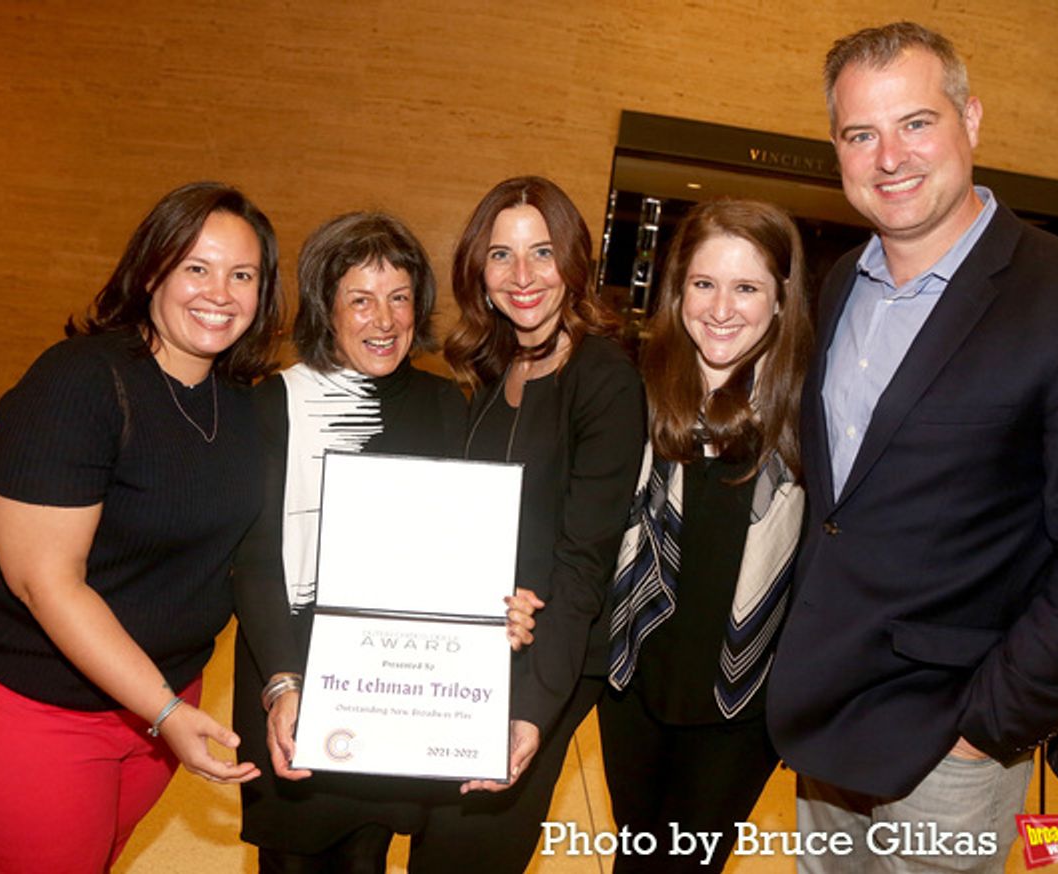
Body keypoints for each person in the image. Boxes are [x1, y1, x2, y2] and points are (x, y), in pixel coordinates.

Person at [766, 21, 1058, 872]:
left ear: (972, 121)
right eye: (861, 133)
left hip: (948, 744)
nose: (890, 156)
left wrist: (984, 728)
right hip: (826, 720)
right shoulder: (841, 280)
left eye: (916, 122)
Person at [0, 181, 284, 873]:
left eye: (241, 275)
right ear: (152, 269)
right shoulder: (79, 383)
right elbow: (44, 582)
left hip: (159, 708)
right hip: (36, 710)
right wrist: (164, 712)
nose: (220, 292)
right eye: (196, 267)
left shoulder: (242, 407)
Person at [231, 211, 539, 874]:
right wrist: (284, 683)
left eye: (399, 298)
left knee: (367, 858)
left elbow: (465, 549)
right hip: (294, 680)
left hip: (397, 693)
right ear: (326, 308)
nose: (385, 320)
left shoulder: (447, 406)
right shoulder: (274, 405)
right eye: (361, 300)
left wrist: (499, 606)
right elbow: (255, 561)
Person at [407, 176, 646, 872]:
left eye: (542, 253)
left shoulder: (603, 380)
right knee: (433, 842)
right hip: (480, 644)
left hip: (550, 655)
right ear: (478, 271)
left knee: (469, 849)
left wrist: (534, 709)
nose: (523, 276)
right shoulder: (493, 365)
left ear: (573, 262)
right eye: (502, 256)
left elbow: (583, 561)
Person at [601, 199, 811, 872]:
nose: (722, 308)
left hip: (742, 704)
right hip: (633, 686)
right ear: (677, 291)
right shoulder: (630, 390)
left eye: (747, 287)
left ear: (781, 300)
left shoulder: (812, 414)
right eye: (704, 284)